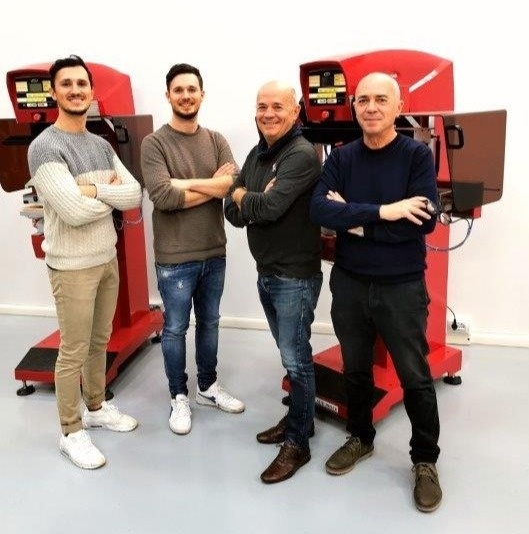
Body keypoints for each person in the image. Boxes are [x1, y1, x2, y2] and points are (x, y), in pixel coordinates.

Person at [309, 72, 443, 512]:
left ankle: (425, 460)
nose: (370, 107)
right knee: (355, 369)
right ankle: (360, 436)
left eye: (381, 99)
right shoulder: (342, 157)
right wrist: (386, 212)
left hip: (401, 286)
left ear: (399, 106)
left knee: (414, 376)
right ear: (354, 106)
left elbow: (422, 221)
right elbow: (319, 210)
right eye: (363, 99)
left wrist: (355, 221)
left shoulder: (416, 156)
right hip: (350, 282)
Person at [27, 55, 143, 470]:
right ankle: (70, 431)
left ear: (92, 92)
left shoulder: (102, 145)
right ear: (54, 92)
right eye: (67, 84)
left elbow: (134, 195)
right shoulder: (45, 146)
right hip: (72, 265)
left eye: (82, 84)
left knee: (100, 341)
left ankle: (95, 406)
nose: (75, 91)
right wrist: (105, 192)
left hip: (106, 258)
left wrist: (87, 189)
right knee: (72, 350)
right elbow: (73, 212)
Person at [224, 81, 323, 484]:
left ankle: (298, 442)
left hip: (294, 276)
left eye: (278, 106)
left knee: (297, 359)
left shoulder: (301, 154)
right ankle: (302, 419)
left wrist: (243, 195)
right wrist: (245, 196)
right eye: (262, 106)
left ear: (295, 111)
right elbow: (233, 211)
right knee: (289, 356)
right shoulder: (258, 152)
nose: (268, 113)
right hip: (268, 271)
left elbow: (268, 206)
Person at [140, 63, 244, 436]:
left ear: (202, 94)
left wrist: (186, 184)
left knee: (210, 323)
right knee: (175, 328)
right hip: (175, 258)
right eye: (179, 90)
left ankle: (207, 386)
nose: (186, 96)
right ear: (168, 95)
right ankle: (178, 395)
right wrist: (210, 185)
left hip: (214, 251)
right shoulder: (154, 143)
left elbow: (232, 184)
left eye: (192, 89)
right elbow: (163, 197)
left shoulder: (215, 140)